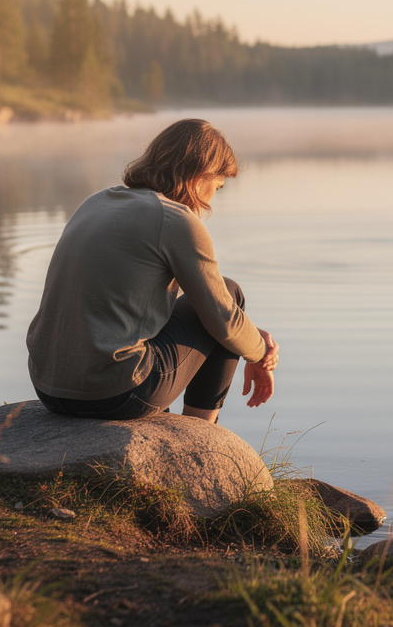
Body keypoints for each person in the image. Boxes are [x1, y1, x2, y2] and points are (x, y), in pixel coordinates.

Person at [26, 118, 278, 423]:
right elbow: (222, 317)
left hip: (49, 389)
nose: (213, 198)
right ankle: (199, 435)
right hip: (115, 395)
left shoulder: (95, 203)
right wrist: (261, 352)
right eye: (217, 186)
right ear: (201, 175)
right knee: (231, 292)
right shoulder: (177, 220)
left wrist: (248, 336)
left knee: (219, 310)